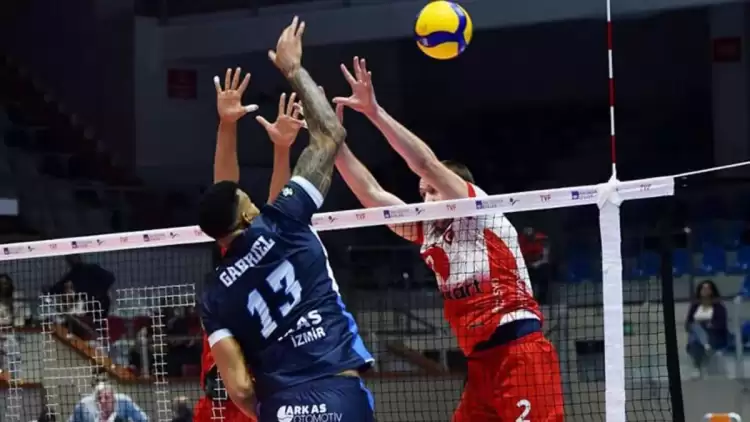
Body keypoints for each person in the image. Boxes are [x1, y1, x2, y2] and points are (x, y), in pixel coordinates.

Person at [332, 56, 564, 422]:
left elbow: (426, 164)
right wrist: (335, 146)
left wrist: (374, 112)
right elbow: (372, 195)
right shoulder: (428, 231)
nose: (425, 199)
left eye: (433, 191)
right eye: (421, 193)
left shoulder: (478, 209)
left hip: (519, 352)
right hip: (480, 364)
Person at [198, 17, 374, 422]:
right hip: (337, 391)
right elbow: (329, 135)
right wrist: (293, 70)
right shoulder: (283, 224)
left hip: (277, 402)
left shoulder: (214, 294)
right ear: (247, 213)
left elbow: (242, 390)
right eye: (250, 202)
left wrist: (245, 133)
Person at [195, 65, 304, 422]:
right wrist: (227, 125)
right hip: (224, 397)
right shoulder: (231, 256)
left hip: (266, 390)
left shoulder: (269, 245)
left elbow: (276, 202)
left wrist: (282, 148)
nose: (255, 203)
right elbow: (224, 191)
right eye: (248, 201)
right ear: (242, 216)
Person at [685, 279, 728, 379]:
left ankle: (697, 368)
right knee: (695, 331)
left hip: (714, 335)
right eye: (703, 288)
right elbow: (688, 324)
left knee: (695, 337)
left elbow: (721, 324)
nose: (705, 290)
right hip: (698, 335)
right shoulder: (695, 306)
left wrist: (709, 325)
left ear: (712, 291)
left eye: (707, 288)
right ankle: (706, 346)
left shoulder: (718, 306)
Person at [68, 382, 147, 422]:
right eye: (99, 398)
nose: (102, 401)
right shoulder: (84, 405)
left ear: (114, 399)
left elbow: (143, 420)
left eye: (107, 397)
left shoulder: (124, 401)